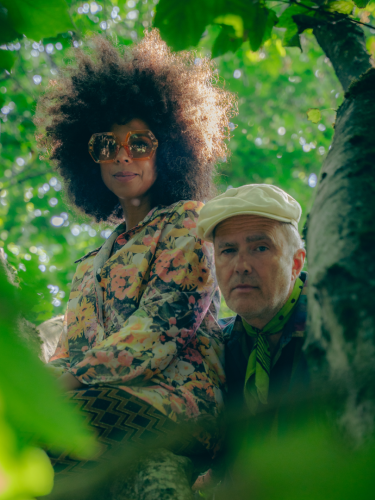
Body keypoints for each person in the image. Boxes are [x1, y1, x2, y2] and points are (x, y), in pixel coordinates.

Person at [34, 30, 235, 484]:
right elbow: (68, 352)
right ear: (90, 159)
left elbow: (158, 331)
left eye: (140, 144)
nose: (123, 156)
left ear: (172, 150)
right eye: (106, 146)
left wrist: (63, 387)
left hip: (178, 409)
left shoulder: (190, 221)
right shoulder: (89, 264)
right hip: (99, 402)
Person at [196, 184, 309, 432]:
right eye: (228, 250)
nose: (241, 266)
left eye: (260, 248)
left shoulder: (336, 328)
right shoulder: (214, 347)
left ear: (296, 263)